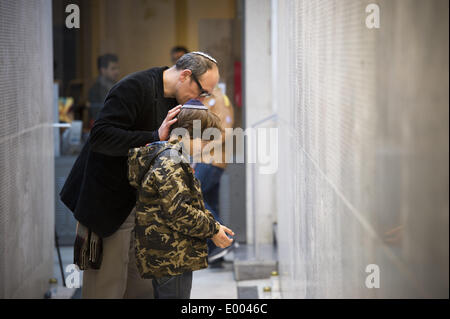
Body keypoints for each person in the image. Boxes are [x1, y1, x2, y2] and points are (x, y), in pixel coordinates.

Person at [59, 51, 220, 299]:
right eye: (202, 91)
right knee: (106, 287)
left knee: (141, 289)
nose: (201, 98)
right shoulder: (134, 87)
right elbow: (101, 137)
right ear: (186, 75)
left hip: (140, 207)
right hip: (106, 205)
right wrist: (155, 137)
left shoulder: (173, 100)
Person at [128, 100, 234, 299]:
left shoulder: (172, 157)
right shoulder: (171, 162)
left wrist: (214, 226)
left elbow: (187, 204)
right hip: (170, 257)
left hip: (169, 253)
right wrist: (213, 229)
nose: (206, 146)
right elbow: (180, 211)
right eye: (203, 139)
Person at [195, 86, 235, 266]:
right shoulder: (207, 98)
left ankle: (223, 241)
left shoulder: (219, 98)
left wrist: (203, 148)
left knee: (196, 197)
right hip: (206, 159)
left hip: (212, 160)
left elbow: (225, 131)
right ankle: (215, 252)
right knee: (210, 201)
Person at [87, 54, 120, 125]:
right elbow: (97, 116)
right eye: (113, 69)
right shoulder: (95, 90)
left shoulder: (118, 86)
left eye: (117, 68)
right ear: (103, 70)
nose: (117, 72)